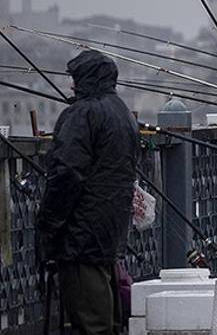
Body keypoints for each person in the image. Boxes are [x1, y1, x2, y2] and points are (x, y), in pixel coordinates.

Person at [36, 51, 138, 335]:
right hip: (110, 230)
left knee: (90, 322)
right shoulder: (122, 112)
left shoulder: (82, 114)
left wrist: (48, 223)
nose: (71, 86)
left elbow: (66, 174)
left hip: (81, 234)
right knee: (109, 318)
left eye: (75, 79)